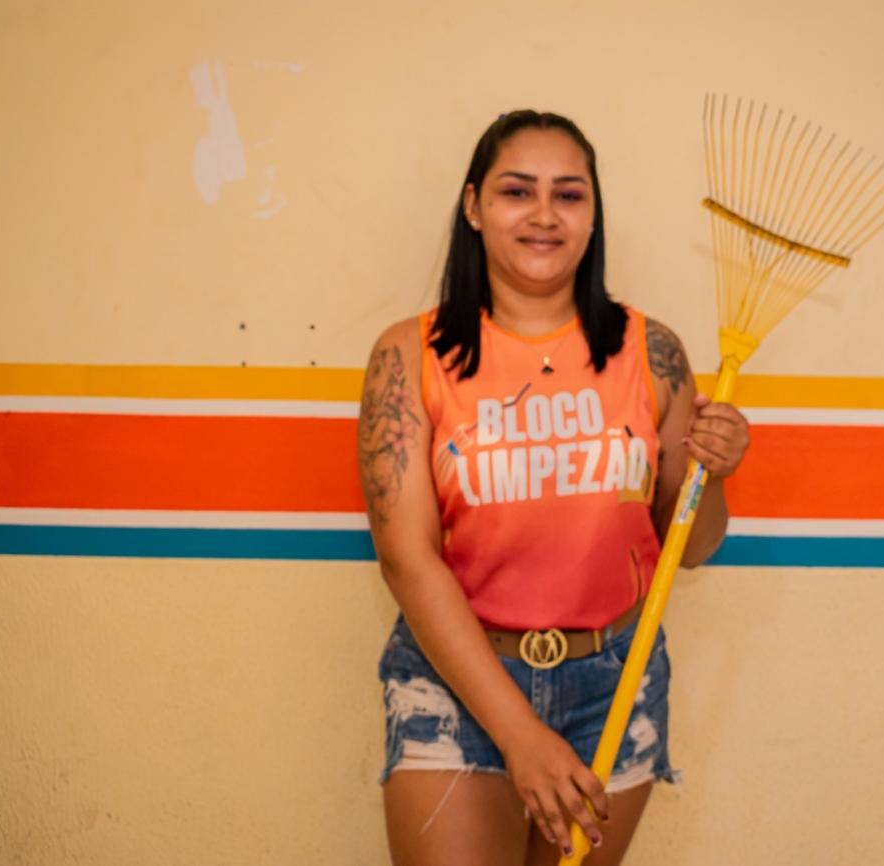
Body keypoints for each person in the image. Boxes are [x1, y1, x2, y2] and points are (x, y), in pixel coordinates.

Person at [358, 109, 750, 866]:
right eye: (517, 191)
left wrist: (716, 470)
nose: (544, 214)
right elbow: (407, 558)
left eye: (569, 195)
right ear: (474, 207)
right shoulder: (410, 355)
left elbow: (693, 545)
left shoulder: (652, 351)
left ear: (593, 215)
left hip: (615, 682)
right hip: (458, 679)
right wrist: (519, 735)